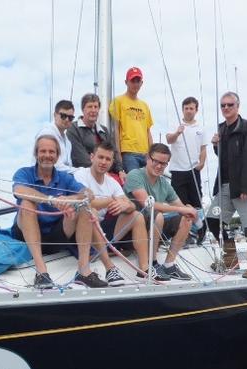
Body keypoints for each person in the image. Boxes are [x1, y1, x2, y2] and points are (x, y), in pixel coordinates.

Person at [12, 135, 108, 289]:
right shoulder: (24, 173)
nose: (47, 155)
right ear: (36, 154)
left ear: (57, 156)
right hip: (26, 233)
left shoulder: (65, 178)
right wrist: (50, 199)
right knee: (27, 203)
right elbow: (19, 190)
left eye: (52, 152)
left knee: (84, 206)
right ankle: (41, 272)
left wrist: (70, 200)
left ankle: (83, 271)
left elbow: (88, 194)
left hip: (56, 236)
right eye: (43, 151)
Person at [73, 141, 167, 282]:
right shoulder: (80, 175)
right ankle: (109, 269)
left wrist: (125, 206)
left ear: (112, 162)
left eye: (108, 159)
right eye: (101, 157)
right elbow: (85, 202)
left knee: (136, 215)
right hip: (83, 227)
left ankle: (144, 268)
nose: (104, 162)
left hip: (103, 227)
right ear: (92, 157)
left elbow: (129, 204)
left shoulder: (111, 182)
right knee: (90, 210)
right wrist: (112, 200)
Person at [207, 91, 247, 278]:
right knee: (212, 219)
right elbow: (223, 159)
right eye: (223, 105)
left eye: (230, 105)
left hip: (244, 186)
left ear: (237, 106)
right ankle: (231, 259)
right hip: (225, 185)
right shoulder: (222, 130)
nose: (226, 108)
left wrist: (246, 187)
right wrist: (215, 146)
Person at [123, 143, 198, 280]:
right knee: (157, 216)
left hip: (154, 229)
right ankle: (152, 263)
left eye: (163, 163)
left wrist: (188, 210)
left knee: (186, 218)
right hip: (132, 230)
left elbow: (180, 207)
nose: (159, 166)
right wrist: (180, 208)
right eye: (155, 161)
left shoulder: (164, 183)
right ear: (147, 158)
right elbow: (148, 204)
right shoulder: (134, 175)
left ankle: (169, 265)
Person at [166, 96, 207, 244]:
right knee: (179, 204)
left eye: (191, 108)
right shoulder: (176, 123)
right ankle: (186, 232)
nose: (189, 111)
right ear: (183, 109)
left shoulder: (201, 129)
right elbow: (169, 140)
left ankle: (201, 228)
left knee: (196, 202)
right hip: (177, 170)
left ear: (196, 110)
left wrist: (201, 164)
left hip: (193, 170)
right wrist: (177, 132)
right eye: (186, 108)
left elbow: (203, 149)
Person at [67, 93, 125, 181]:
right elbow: (80, 157)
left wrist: (120, 170)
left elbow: (114, 152)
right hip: (87, 174)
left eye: (96, 107)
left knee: (129, 181)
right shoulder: (73, 129)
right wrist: (101, 172)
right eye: (90, 107)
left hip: (108, 173)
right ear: (83, 109)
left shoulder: (104, 130)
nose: (93, 110)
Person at [109, 67, 154, 173]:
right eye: (132, 80)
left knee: (148, 186)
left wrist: (152, 154)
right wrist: (118, 153)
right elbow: (115, 128)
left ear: (142, 83)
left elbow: (148, 131)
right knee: (135, 185)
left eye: (138, 81)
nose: (135, 84)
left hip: (145, 153)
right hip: (128, 152)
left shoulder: (145, 105)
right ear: (126, 82)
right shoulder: (118, 101)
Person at [36, 100, 76, 173]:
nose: (67, 119)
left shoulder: (68, 142)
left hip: (62, 180)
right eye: (63, 116)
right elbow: (54, 166)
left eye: (70, 117)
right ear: (55, 115)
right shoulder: (47, 133)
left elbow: (68, 166)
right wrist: (81, 171)